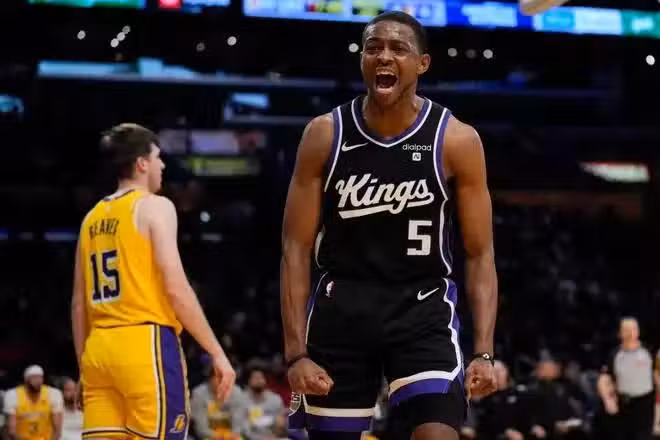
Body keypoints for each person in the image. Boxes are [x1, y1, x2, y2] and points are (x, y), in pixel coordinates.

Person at [280, 11, 497, 440]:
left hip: (422, 308)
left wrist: (485, 351)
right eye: (373, 47)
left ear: (422, 63)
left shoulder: (456, 139)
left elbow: (479, 252)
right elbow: (294, 248)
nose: (384, 56)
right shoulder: (325, 134)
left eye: (398, 48)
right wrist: (295, 354)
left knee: (438, 435)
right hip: (341, 310)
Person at [71, 123, 235, 440]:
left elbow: (79, 304)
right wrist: (216, 351)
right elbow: (176, 287)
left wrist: (83, 367)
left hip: (98, 350)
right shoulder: (154, 206)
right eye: (158, 157)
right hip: (144, 344)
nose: (162, 165)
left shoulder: (91, 217)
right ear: (142, 163)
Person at [601, 317, 655, 440]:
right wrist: (607, 399)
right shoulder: (614, 354)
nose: (631, 333)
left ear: (638, 331)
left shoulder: (649, 351)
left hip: (645, 404)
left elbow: (657, 374)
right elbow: (604, 378)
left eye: (634, 329)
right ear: (620, 333)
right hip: (624, 404)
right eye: (626, 330)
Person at [3, 365, 63, 440]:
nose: (37, 381)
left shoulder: (53, 393)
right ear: (26, 379)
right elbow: (11, 431)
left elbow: (57, 429)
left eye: (40, 377)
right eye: (34, 377)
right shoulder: (13, 395)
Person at [242, 366, 285, 440]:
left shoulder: (275, 399)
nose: (259, 380)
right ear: (248, 381)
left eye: (261, 378)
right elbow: (242, 427)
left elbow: (280, 427)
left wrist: (279, 428)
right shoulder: (241, 400)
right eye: (255, 378)